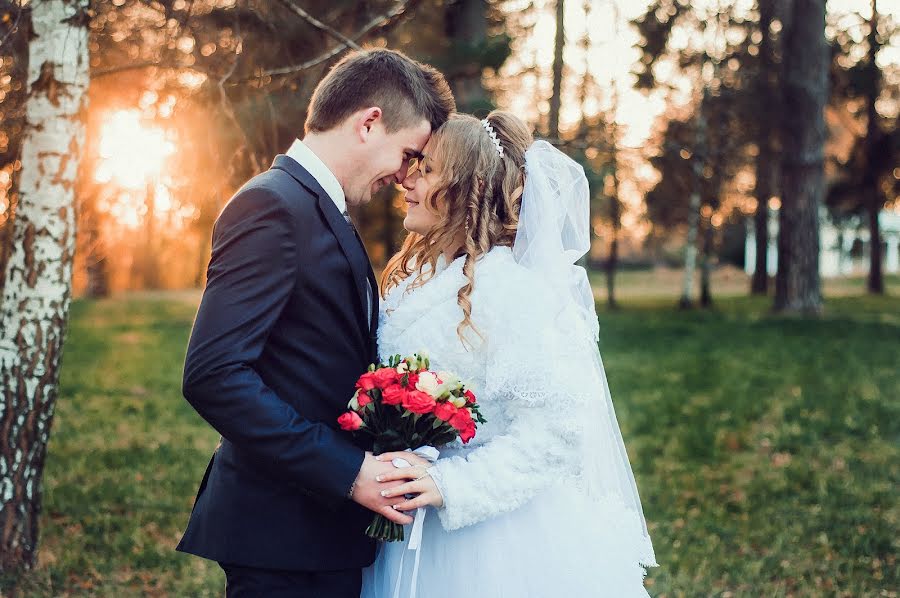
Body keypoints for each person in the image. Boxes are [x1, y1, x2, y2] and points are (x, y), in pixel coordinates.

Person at [176, 48, 455, 597]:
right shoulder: (271, 207)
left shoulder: (320, 209)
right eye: (406, 154)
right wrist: (349, 474)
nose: (404, 174)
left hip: (314, 536)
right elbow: (214, 375)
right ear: (368, 122)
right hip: (281, 537)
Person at [362, 112, 657, 597]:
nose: (407, 182)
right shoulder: (424, 278)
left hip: (491, 541)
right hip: (404, 522)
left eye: (427, 170)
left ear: (466, 188)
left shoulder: (513, 292)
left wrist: (452, 485)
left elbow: (557, 431)